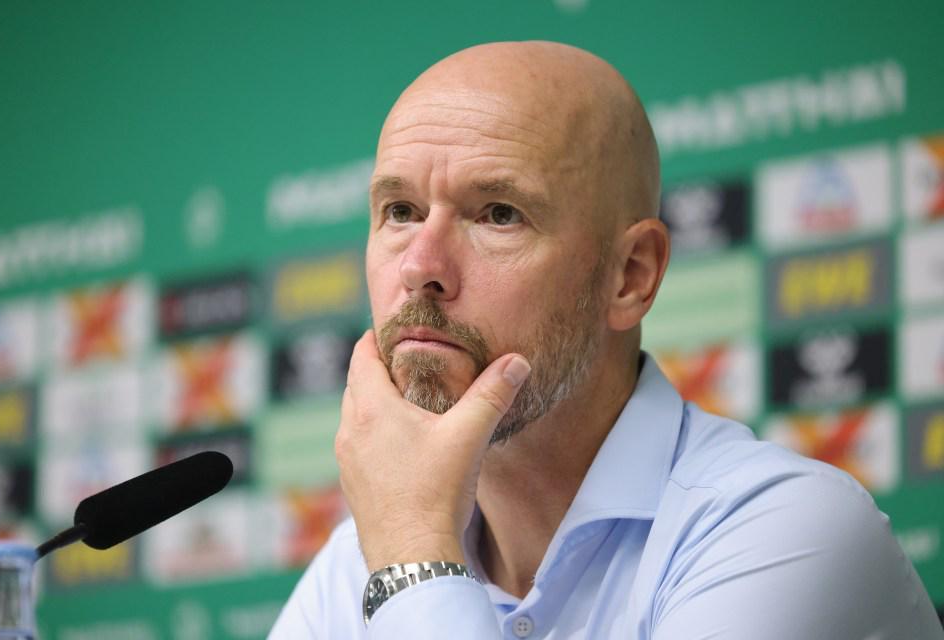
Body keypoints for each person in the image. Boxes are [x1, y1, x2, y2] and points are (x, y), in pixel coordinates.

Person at [269, 41, 942, 639]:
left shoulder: (786, 529)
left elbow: (407, 559)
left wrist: (415, 555)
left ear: (630, 276)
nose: (421, 267)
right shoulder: (353, 568)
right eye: (400, 211)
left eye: (498, 214)